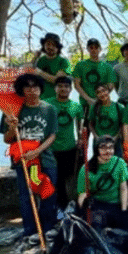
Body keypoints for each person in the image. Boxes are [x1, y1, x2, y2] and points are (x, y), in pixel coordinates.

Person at [1, 73, 58, 246]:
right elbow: (7, 139)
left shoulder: (49, 109)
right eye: (27, 87)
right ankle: (30, 230)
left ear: (41, 89)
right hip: (23, 160)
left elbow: (52, 135)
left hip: (45, 159)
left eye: (35, 87)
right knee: (27, 196)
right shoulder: (12, 109)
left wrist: (38, 151)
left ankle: (48, 228)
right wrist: (12, 127)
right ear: (22, 90)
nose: (32, 90)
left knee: (47, 191)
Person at [76, 135, 128, 231]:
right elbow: (82, 194)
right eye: (103, 147)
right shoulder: (85, 169)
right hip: (97, 205)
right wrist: (84, 211)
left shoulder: (120, 163)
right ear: (96, 149)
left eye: (110, 147)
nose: (108, 151)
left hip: (114, 204)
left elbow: (124, 188)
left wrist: (124, 210)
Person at [45, 76, 84, 210]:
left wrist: (80, 139)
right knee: (54, 180)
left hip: (69, 148)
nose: (63, 89)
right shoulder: (47, 104)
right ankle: (56, 208)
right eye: (60, 86)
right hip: (51, 148)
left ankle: (70, 207)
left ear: (71, 89)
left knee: (69, 180)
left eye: (66, 86)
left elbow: (80, 126)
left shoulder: (76, 106)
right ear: (55, 88)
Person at [72, 38, 116, 116]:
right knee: (83, 127)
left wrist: (100, 98)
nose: (94, 50)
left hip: (102, 104)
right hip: (84, 104)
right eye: (91, 48)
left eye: (96, 47)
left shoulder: (107, 67)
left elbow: (110, 86)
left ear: (100, 49)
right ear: (88, 49)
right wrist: (89, 100)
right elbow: (77, 85)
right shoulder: (80, 65)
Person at [89, 83, 125, 155]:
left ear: (108, 91)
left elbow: (122, 125)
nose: (102, 94)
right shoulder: (94, 107)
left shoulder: (119, 107)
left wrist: (115, 137)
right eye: (98, 92)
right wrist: (96, 137)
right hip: (99, 142)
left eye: (104, 90)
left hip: (115, 142)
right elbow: (90, 124)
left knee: (116, 164)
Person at [34, 32, 71, 100]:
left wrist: (39, 72)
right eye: (48, 44)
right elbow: (27, 70)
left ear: (58, 48)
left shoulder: (63, 61)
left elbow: (57, 80)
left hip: (56, 100)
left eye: (53, 45)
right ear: (44, 46)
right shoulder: (40, 60)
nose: (50, 47)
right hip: (40, 100)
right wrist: (34, 58)